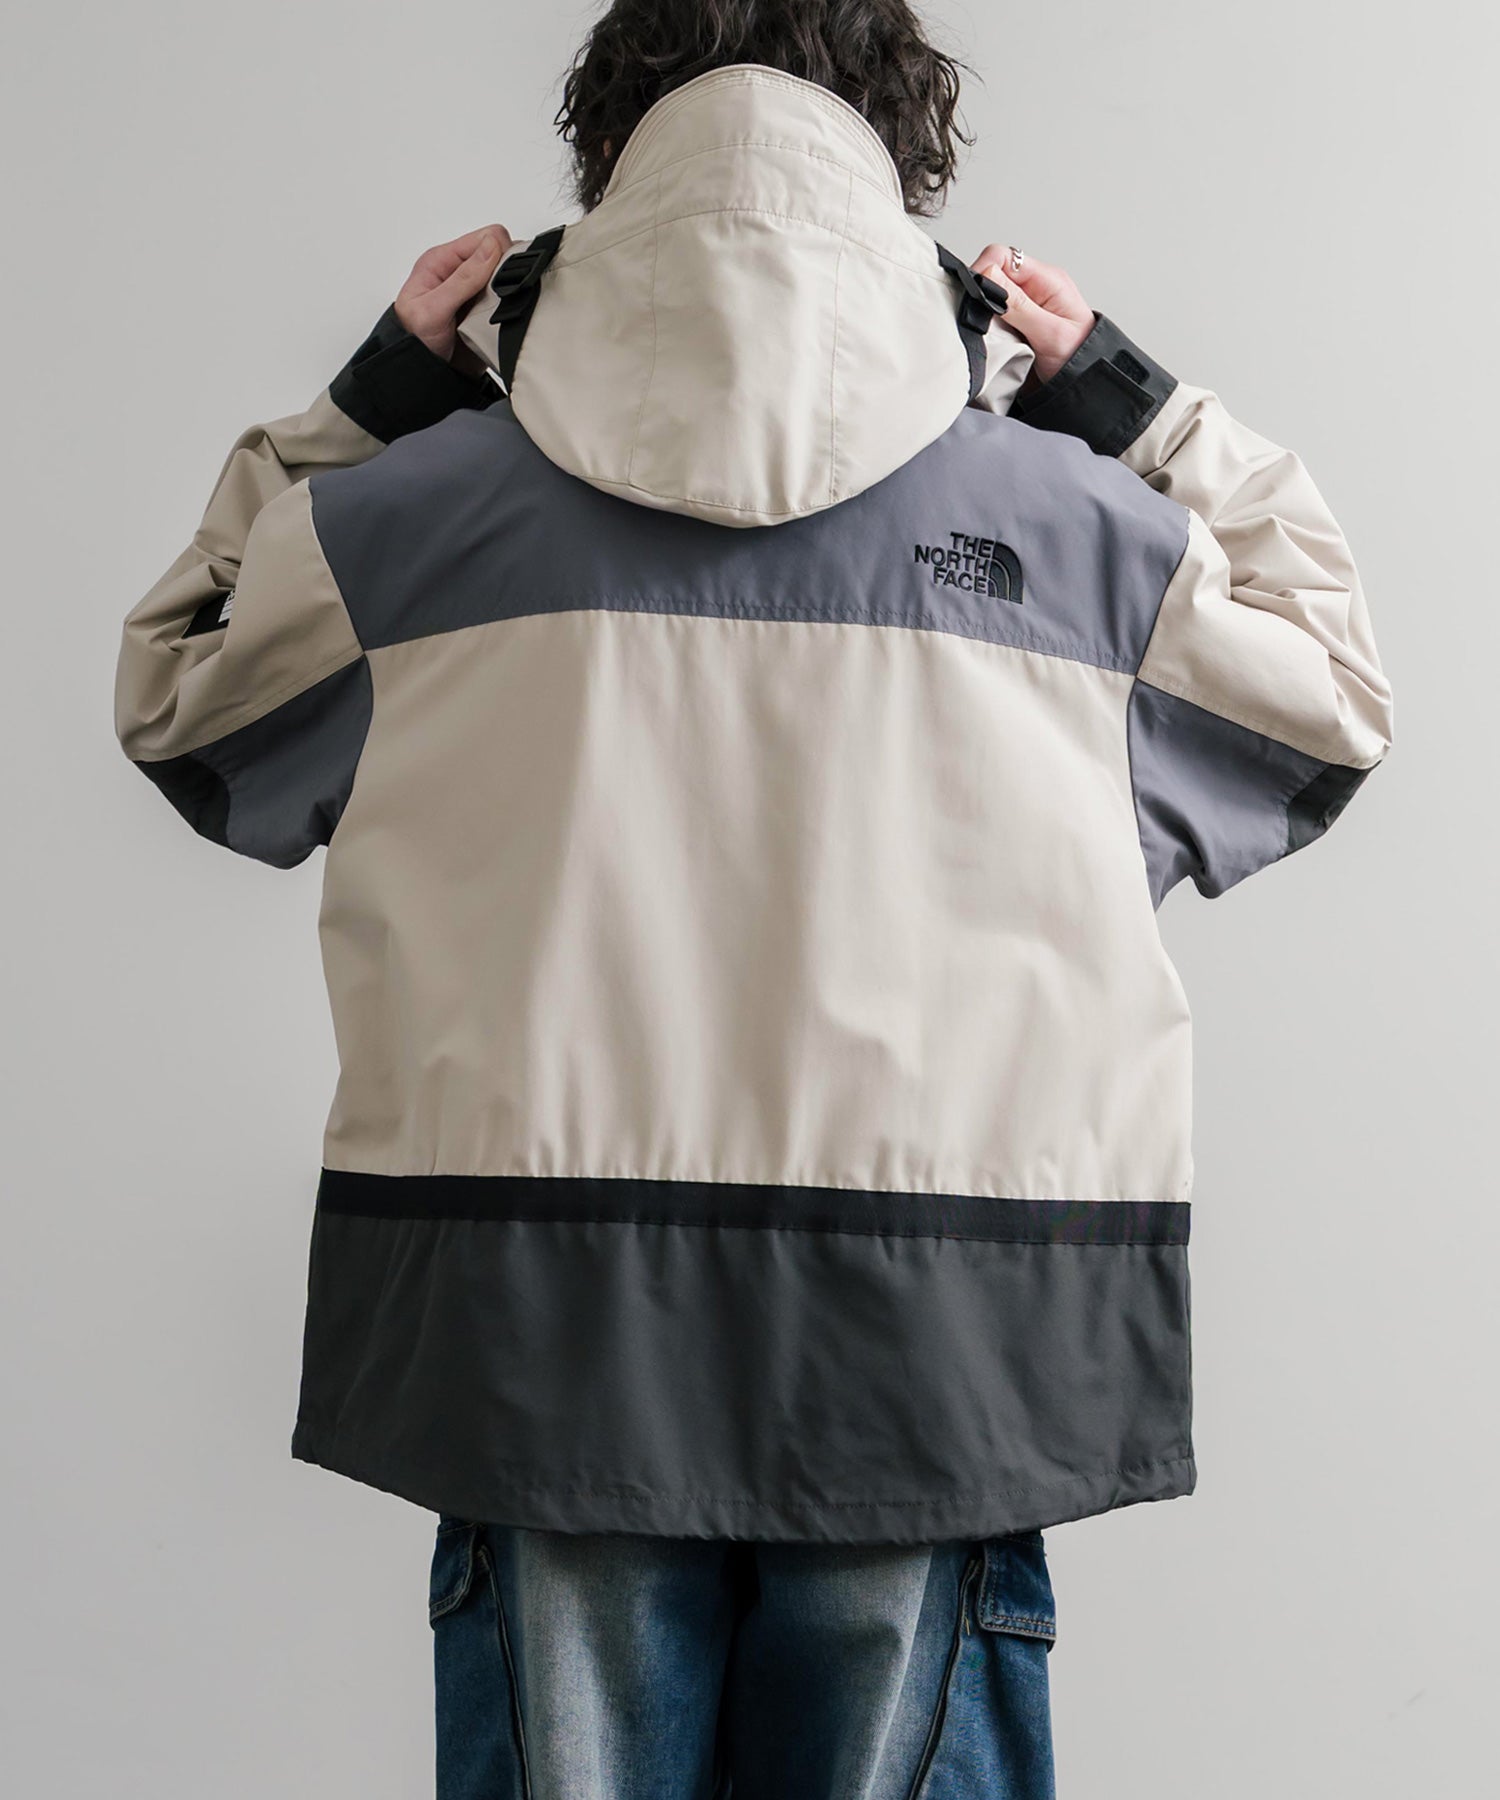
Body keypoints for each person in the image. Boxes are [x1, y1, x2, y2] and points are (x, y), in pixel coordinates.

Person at [113, 2, 1393, 1795]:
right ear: (898, 159)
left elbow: (183, 699)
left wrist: (373, 405)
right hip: (941, 1351)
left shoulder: (419, 525)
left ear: (614, 155)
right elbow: (1331, 708)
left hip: (541, 1346)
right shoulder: (1079, 541)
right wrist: (1136, 402)